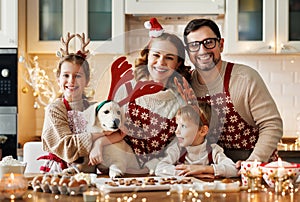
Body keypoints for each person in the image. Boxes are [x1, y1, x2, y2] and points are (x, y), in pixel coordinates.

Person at [180, 18, 283, 165]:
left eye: (209, 42)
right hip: (211, 170)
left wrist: (252, 163)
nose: (202, 50)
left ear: (220, 45)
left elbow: (272, 125)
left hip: (252, 168)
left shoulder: (244, 78)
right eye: (194, 45)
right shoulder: (187, 84)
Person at [102, 18, 191, 175]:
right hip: (117, 167)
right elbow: (108, 125)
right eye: (156, 55)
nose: (161, 62)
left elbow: (178, 143)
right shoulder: (127, 86)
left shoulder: (180, 97)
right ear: (147, 56)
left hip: (157, 171)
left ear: (178, 64)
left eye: (169, 58)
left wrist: (152, 166)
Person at [39, 33, 124, 173]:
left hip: (87, 171)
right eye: (66, 75)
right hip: (59, 172)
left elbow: (120, 131)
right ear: (58, 79)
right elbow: (67, 146)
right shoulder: (55, 109)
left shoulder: (94, 107)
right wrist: (101, 134)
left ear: (87, 80)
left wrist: (99, 144)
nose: (71, 81)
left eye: (78, 75)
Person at [155, 103, 238, 178]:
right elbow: (160, 168)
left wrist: (204, 169)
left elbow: (234, 170)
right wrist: (191, 173)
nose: (176, 131)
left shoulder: (213, 150)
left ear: (202, 131)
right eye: (177, 125)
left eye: (183, 126)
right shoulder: (177, 149)